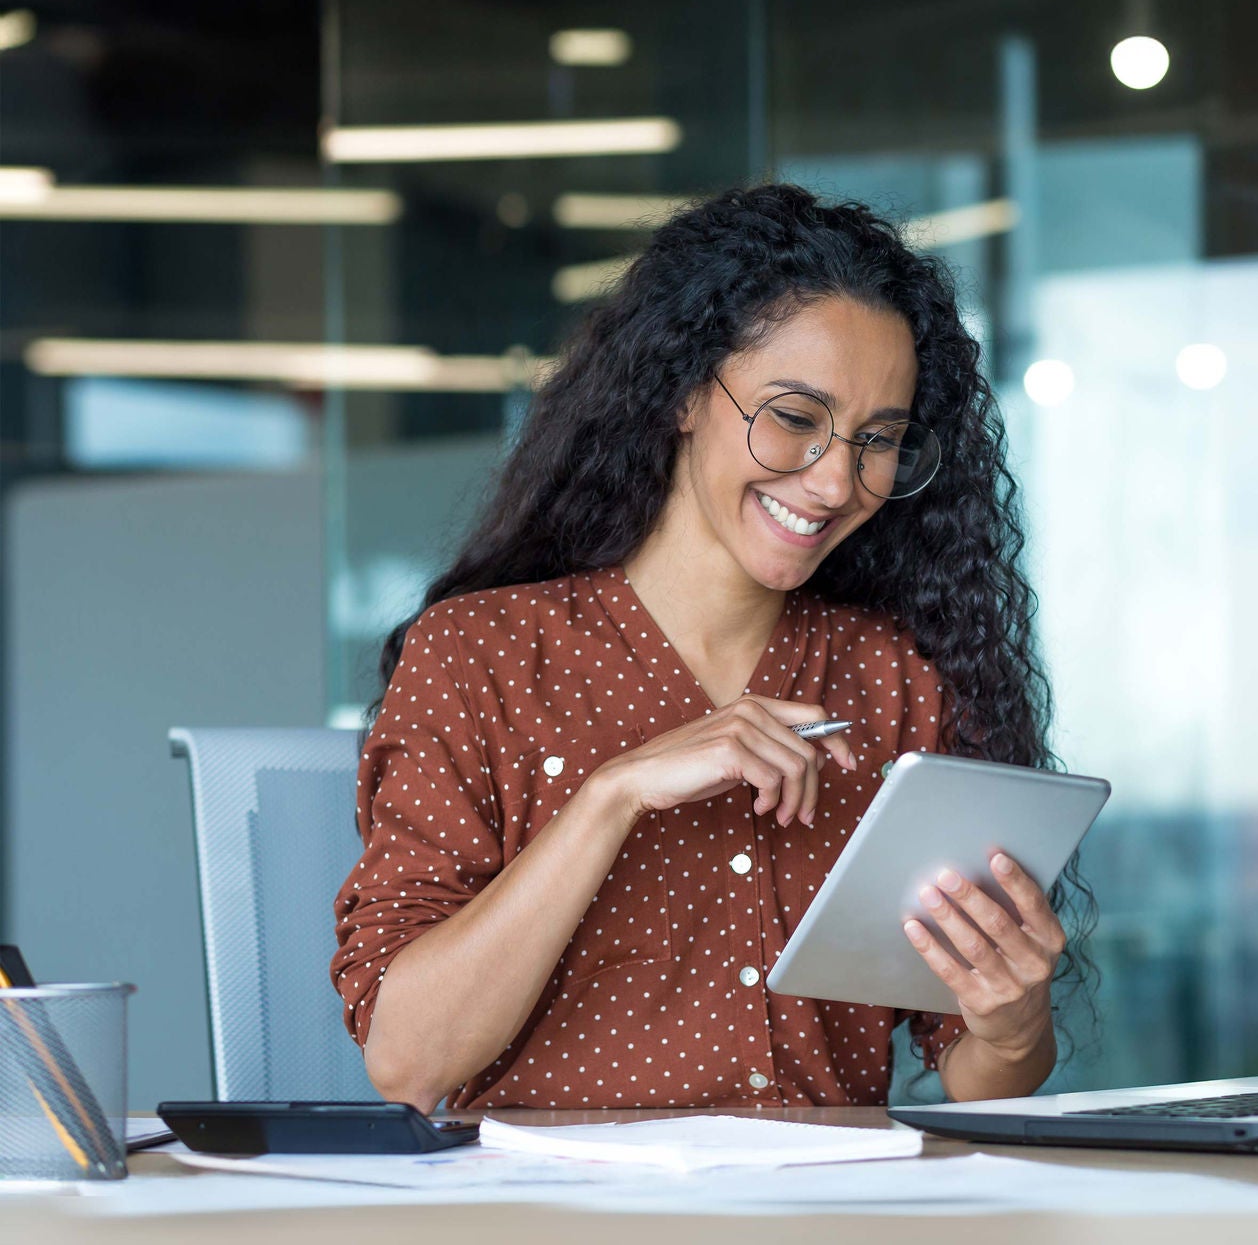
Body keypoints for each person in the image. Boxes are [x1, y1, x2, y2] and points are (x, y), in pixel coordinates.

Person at [331, 184, 1076, 1112]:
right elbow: (408, 1062)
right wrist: (613, 794)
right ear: (684, 393)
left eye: (877, 440)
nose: (838, 478)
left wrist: (1011, 1022)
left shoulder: (897, 680)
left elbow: (975, 1068)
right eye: (796, 418)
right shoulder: (479, 656)